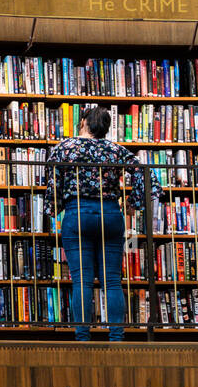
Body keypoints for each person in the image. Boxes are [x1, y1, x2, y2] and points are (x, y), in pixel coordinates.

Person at [44, 105, 159, 342]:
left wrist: (53, 207)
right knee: (112, 281)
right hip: (110, 215)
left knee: (82, 280)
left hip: (77, 214)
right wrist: (133, 202)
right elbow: (145, 173)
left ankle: (83, 337)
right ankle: (117, 337)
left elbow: (53, 180)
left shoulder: (66, 147)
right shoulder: (116, 150)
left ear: (84, 121)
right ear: (105, 127)